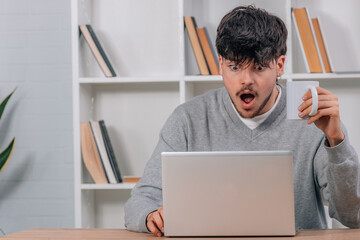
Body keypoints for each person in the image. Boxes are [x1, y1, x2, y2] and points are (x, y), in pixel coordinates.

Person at [124, 5, 360, 237]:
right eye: (235, 67)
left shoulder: (313, 118)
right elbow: (141, 200)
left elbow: (353, 216)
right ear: (220, 65)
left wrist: (336, 141)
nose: (246, 80)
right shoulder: (187, 119)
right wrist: (150, 215)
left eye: (258, 67)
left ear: (279, 66)